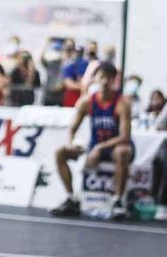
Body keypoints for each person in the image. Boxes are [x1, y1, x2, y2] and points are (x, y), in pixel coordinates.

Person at [51, 63, 133, 220]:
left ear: (114, 80)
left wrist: (99, 148)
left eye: (109, 78)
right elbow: (72, 128)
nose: (105, 81)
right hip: (95, 146)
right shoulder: (87, 101)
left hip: (116, 146)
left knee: (121, 152)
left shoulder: (122, 103)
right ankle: (71, 198)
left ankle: (117, 201)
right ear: (95, 79)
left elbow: (125, 136)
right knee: (60, 152)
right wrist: (72, 142)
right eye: (102, 77)